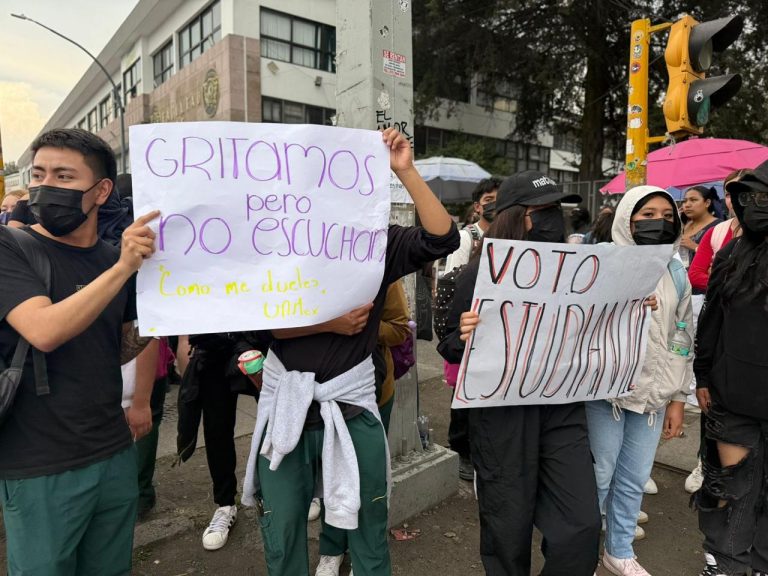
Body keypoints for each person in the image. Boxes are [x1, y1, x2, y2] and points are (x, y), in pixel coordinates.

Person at [241, 127, 459, 576]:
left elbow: (442, 239)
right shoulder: (272, 241)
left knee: (368, 523)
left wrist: (406, 170)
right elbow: (260, 323)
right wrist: (330, 324)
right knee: (281, 528)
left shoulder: (376, 242)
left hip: (352, 407)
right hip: (289, 411)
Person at [0, 128, 158, 575]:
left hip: (110, 452)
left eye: (64, 176)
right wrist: (125, 268)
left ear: (101, 191)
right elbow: (44, 330)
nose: (46, 186)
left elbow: (124, 344)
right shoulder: (10, 248)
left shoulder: (112, 258)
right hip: (40, 463)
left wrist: (179, 305)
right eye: (39, 174)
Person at [437, 170, 601, 576]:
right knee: (507, 530)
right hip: (502, 414)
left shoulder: (583, 270)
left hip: (562, 409)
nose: (552, 221)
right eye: (541, 212)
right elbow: (448, 345)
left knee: (581, 526)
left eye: (556, 212)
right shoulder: (478, 273)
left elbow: (598, 324)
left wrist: (632, 306)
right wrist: (464, 334)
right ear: (514, 217)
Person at [585, 185, 693, 576]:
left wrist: (677, 398)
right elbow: (575, 322)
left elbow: (681, 337)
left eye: (667, 215)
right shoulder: (601, 261)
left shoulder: (676, 270)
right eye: (647, 215)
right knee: (598, 476)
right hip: (606, 393)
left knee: (632, 478)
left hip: (651, 398)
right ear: (627, 218)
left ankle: (619, 551)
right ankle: (580, 553)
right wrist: (623, 306)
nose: (658, 222)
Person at [694, 161, 768, 576]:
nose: (758, 206)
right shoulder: (730, 254)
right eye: (752, 198)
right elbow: (711, 323)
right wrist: (703, 376)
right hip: (733, 397)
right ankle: (725, 565)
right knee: (736, 489)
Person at [315, 280, 411, 576]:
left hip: (371, 394)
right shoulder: (310, 262)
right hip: (320, 394)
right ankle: (332, 547)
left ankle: (364, 553)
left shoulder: (382, 267)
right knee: (329, 471)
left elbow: (399, 329)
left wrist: (360, 325)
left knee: (369, 481)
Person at [176, 331, 271, 550]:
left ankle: (289, 490)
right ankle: (226, 503)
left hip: (260, 339)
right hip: (213, 347)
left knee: (275, 420)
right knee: (217, 430)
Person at [684, 170, 746, 495]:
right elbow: (696, 275)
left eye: (742, 191)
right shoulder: (720, 232)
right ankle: (705, 462)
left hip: (751, 340)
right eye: (728, 192)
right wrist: (736, 287)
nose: (733, 199)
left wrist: (722, 281)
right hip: (719, 330)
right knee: (713, 399)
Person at [443, 177, 500, 480]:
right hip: (467, 327)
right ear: (478, 205)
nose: (495, 203)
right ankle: (460, 449)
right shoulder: (467, 237)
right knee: (462, 392)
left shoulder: (509, 237)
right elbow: (452, 281)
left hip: (494, 331)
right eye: (489, 198)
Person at [680, 186, 722, 268]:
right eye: (684, 201)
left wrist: (695, 247)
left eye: (693, 200)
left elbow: (723, 258)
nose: (687, 205)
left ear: (707, 203)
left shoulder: (719, 226)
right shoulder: (684, 225)